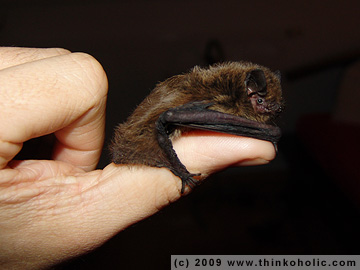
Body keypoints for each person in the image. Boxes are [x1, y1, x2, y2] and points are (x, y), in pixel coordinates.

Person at [0, 47, 276, 269]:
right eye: (261, 103)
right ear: (248, 92)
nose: (265, 110)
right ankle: (175, 167)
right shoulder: (212, 98)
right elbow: (168, 118)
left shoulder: (204, 92)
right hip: (146, 145)